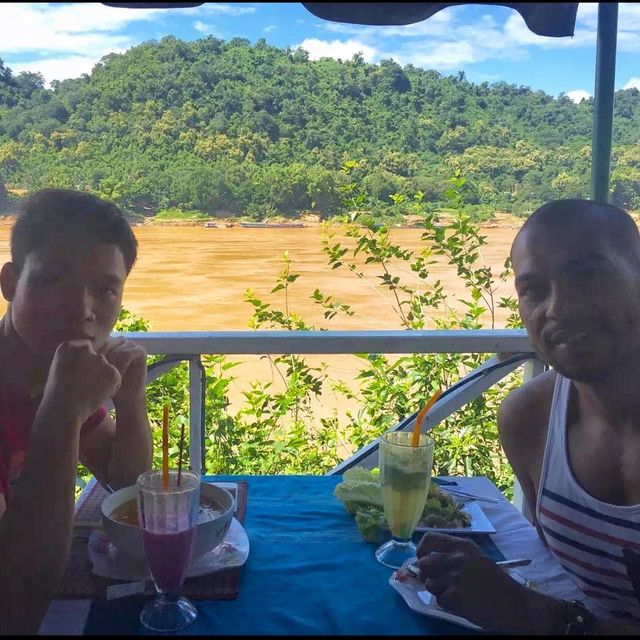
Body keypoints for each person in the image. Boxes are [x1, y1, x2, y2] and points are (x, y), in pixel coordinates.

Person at [414, 199, 640, 634]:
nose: (559, 308)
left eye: (587, 275)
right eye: (534, 289)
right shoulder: (530, 420)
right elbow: (565, 578)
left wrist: (538, 615)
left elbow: (548, 615)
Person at [0, 189, 152, 634]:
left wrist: (131, 400)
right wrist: (62, 411)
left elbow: (127, 487)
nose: (81, 309)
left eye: (105, 289)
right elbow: (13, 612)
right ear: (10, 283)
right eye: (53, 280)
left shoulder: (52, 373)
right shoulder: (58, 387)